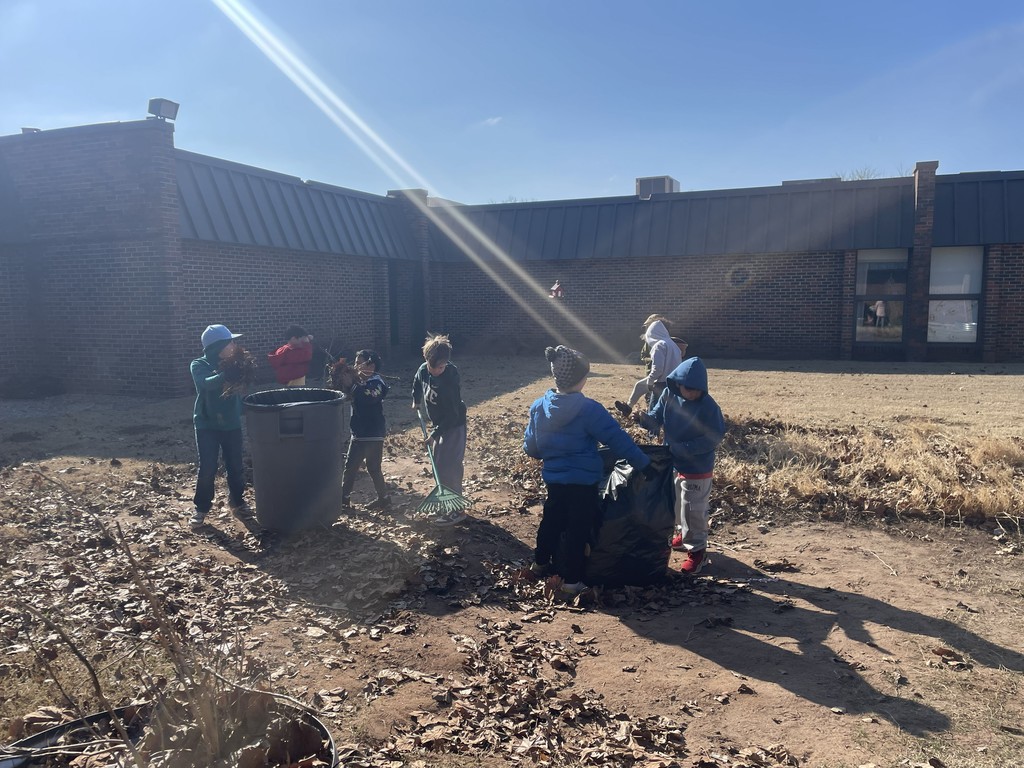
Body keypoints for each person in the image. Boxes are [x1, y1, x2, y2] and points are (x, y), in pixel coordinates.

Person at [525, 345, 656, 597]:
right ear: (582, 379)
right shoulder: (589, 410)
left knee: (551, 520)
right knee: (578, 529)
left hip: (554, 479)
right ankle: (571, 581)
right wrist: (643, 463)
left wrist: (551, 453)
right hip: (583, 483)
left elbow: (531, 446)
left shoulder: (539, 407)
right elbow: (617, 440)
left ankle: (540, 563)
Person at [634, 357, 725, 575]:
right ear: (677, 384)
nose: (691, 394)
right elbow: (656, 419)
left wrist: (684, 448)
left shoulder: (709, 406)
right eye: (687, 389)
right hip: (673, 461)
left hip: (698, 466)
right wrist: (643, 419)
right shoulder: (668, 394)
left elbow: (713, 438)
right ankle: (684, 535)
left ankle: (698, 551)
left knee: (693, 509)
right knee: (675, 503)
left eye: (696, 390)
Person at [189, 324, 248, 529]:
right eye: (230, 341)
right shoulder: (199, 364)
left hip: (231, 423)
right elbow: (207, 383)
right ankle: (201, 508)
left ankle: (238, 501)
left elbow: (236, 390)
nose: (234, 344)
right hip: (207, 425)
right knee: (207, 467)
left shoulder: (234, 364)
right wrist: (226, 374)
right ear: (218, 346)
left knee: (236, 466)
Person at [411, 333, 468, 504]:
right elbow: (417, 381)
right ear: (427, 359)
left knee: (448, 466)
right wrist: (416, 400)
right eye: (434, 367)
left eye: (442, 367)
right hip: (440, 425)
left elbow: (452, 415)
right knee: (438, 464)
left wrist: (434, 435)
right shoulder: (423, 369)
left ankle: (455, 507)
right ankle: (446, 502)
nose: (438, 371)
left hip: (454, 426)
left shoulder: (450, 378)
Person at [341, 350, 391, 510]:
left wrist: (353, 386)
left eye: (359, 363)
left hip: (372, 433)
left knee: (373, 467)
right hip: (358, 432)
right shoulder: (360, 382)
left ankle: (383, 498)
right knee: (350, 468)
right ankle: (344, 498)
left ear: (372, 366)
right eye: (355, 363)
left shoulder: (377, 383)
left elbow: (368, 397)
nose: (356, 366)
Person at [615, 318, 682, 416]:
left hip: (661, 382)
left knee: (654, 408)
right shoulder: (672, 344)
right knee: (639, 385)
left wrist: (650, 382)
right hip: (674, 380)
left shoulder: (659, 346)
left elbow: (658, 369)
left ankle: (652, 426)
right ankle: (628, 407)